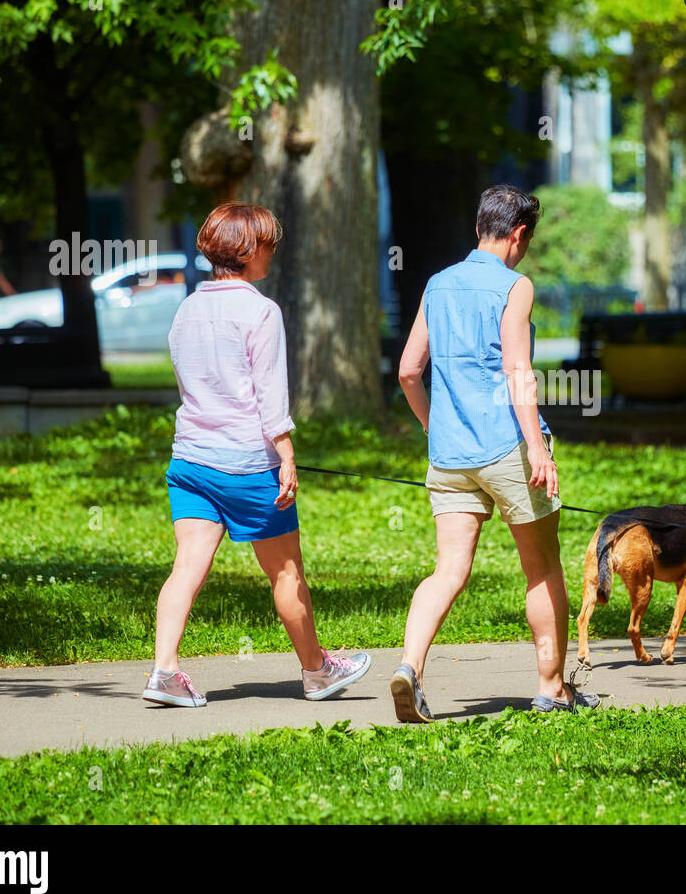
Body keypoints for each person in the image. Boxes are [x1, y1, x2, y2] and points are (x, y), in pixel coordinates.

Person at [142, 202, 370, 707]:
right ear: (249, 250)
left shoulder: (187, 310)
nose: (272, 250)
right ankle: (317, 672)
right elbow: (270, 396)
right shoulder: (261, 311)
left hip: (191, 462)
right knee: (287, 573)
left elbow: (192, 385)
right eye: (267, 242)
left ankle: (164, 672)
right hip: (248, 466)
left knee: (186, 568)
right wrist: (286, 454)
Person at [392, 184, 599, 722]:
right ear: (519, 233)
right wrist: (538, 449)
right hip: (506, 447)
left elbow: (409, 371)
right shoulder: (515, 286)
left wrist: (437, 429)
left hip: (450, 455)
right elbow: (517, 371)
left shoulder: (437, 284)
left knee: (448, 571)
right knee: (541, 568)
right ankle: (551, 687)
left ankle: (409, 669)